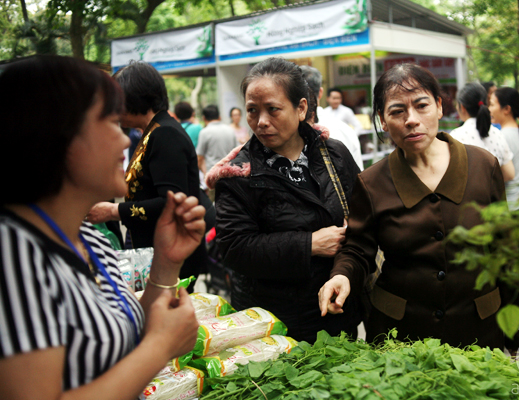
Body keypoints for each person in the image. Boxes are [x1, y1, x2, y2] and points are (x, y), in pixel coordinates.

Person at [0, 55, 204, 399]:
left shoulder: (92, 242)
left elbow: (117, 334)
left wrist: (167, 262)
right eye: (111, 122)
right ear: (59, 139)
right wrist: (159, 347)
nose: (126, 141)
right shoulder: (13, 253)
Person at [318, 63, 519, 353]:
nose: (412, 120)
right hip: (402, 336)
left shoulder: (483, 165)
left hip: (478, 330)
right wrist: (341, 275)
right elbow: (358, 248)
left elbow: (505, 251)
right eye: (397, 111)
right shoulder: (371, 183)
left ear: (440, 107)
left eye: (421, 105)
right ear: (382, 119)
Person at [206, 58, 362, 344]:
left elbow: (363, 220)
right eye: (252, 110)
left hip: (338, 314)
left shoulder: (334, 155)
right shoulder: (238, 173)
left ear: (301, 108)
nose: (261, 121)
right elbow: (234, 248)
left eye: (273, 110)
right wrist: (309, 245)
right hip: (272, 327)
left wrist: (344, 272)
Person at [87, 61, 211, 283]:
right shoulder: (153, 131)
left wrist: (114, 211)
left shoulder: (165, 134)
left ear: (135, 98)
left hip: (170, 253)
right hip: (153, 248)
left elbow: (170, 202)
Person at [300, 65, 364, 170]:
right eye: (334, 98)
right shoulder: (345, 130)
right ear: (322, 94)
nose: (336, 101)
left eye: (338, 98)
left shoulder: (346, 116)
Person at [451, 82, 516, 182]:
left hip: (468, 197)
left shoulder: (455, 136)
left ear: (462, 107)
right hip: (494, 196)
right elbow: (510, 174)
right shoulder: (497, 134)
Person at [489, 87, 519, 211]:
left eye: (492, 104)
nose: (489, 109)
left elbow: (501, 176)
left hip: (512, 205)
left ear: (506, 109)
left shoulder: (501, 136)